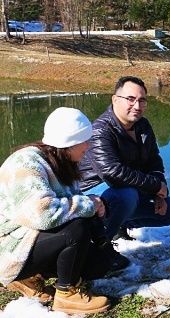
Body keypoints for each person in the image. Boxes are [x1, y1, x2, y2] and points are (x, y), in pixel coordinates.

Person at [0, 107, 115, 314]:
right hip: (8, 246)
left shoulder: (63, 163)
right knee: (76, 228)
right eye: (84, 141)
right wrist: (88, 204)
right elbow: (43, 214)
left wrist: (93, 209)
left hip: (30, 240)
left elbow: (70, 205)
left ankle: (30, 278)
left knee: (99, 265)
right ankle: (66, 294)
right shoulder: (26, 163)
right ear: (68, 143)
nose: (88, 146)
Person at [80, 76, 170, 240]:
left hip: (129, 188)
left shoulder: (143, 125)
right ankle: (102, 242)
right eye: (130, 99)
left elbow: (154, 160)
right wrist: (155, 186)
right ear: (115, 99)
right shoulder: (100, 130)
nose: (137, 106)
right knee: (126, 197)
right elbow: (112, 173)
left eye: (142, 100)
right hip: (95, 189)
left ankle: (120, 224)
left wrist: (159, 193)